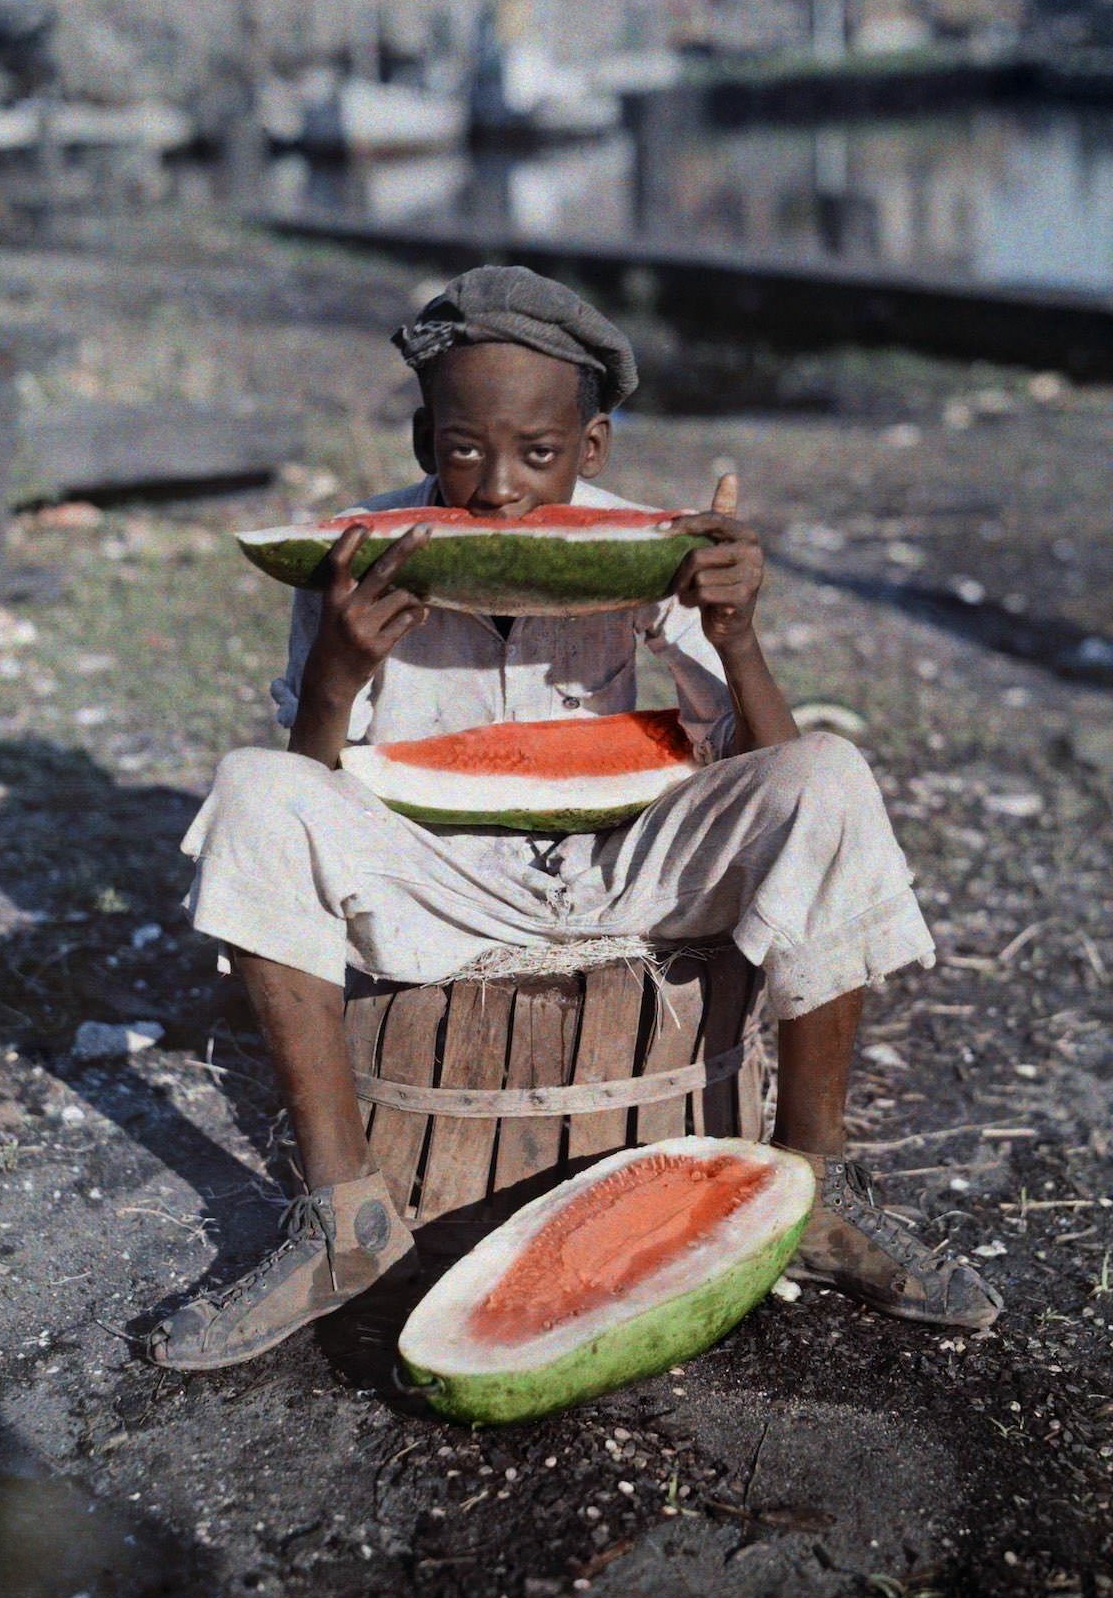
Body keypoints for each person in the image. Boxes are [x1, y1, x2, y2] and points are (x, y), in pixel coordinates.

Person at [150, 266, 1001, 1370]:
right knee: (255, 788)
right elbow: (313, 785)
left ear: (591, 446)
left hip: (627, 866)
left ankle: (820, 1182)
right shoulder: (363, 558)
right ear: (424, 435)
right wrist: (337, 674)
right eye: (463, 448)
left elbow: (764, 760)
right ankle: (340, 1218)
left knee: (828, 775)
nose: (499, 487)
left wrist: (737, 635)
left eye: (538, 454)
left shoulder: (643, 543)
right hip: (434, 881)